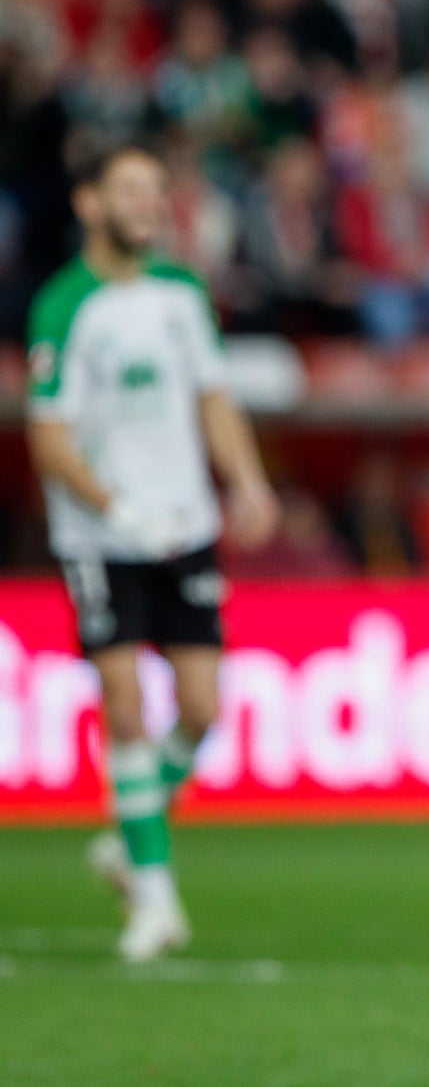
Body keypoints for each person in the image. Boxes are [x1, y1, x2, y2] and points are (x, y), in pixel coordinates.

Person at [25, 148, 280, 962]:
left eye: (156, 190)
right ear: (90, 201)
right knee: (126, 698)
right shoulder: (65, 305)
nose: (149, 204)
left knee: (203, 707)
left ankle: (129, 835)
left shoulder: (182, 293)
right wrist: (115, 506)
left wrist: (247, 480)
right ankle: (157, 899)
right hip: (103, 534)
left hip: (184, 523)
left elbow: (212, 395)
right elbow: (47, 434)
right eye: (130, 190)